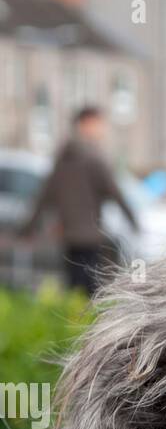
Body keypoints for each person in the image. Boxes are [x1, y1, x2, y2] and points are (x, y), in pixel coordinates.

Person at [20, 106, 139, 296]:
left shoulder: (63, 156)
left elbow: (45, 195)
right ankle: (87, 321)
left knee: (74, 285)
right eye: (99, 124)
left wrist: (28, 227)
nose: (102, 130)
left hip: (69, 234)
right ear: (86, 124)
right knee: (91, 288)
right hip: (91, 233)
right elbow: (114, 192)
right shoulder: (94, 157)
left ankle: (74, 318)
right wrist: (133, 221)